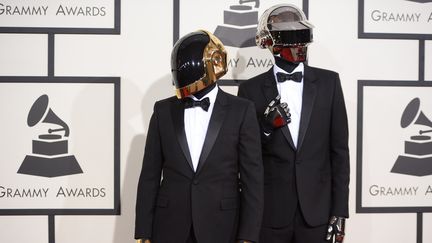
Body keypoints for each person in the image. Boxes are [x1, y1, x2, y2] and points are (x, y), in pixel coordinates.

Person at [135, 30, 264, 243]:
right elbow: (149, 176)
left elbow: (253, 179)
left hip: (223, 227)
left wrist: (248, 236)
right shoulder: (162, 111)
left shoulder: (241, 111)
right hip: (169, 228)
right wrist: (143, 233)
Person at [238, 4, 349, 243]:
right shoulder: (250, 90)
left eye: (301, 37)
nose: (299, 46)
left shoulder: (330, 83)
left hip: (317, 214)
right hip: (270, 214)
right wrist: (266, 127)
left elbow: (340, 153)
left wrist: (339, 212)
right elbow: (245, 157)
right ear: (271, 44)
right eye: (291, 38)